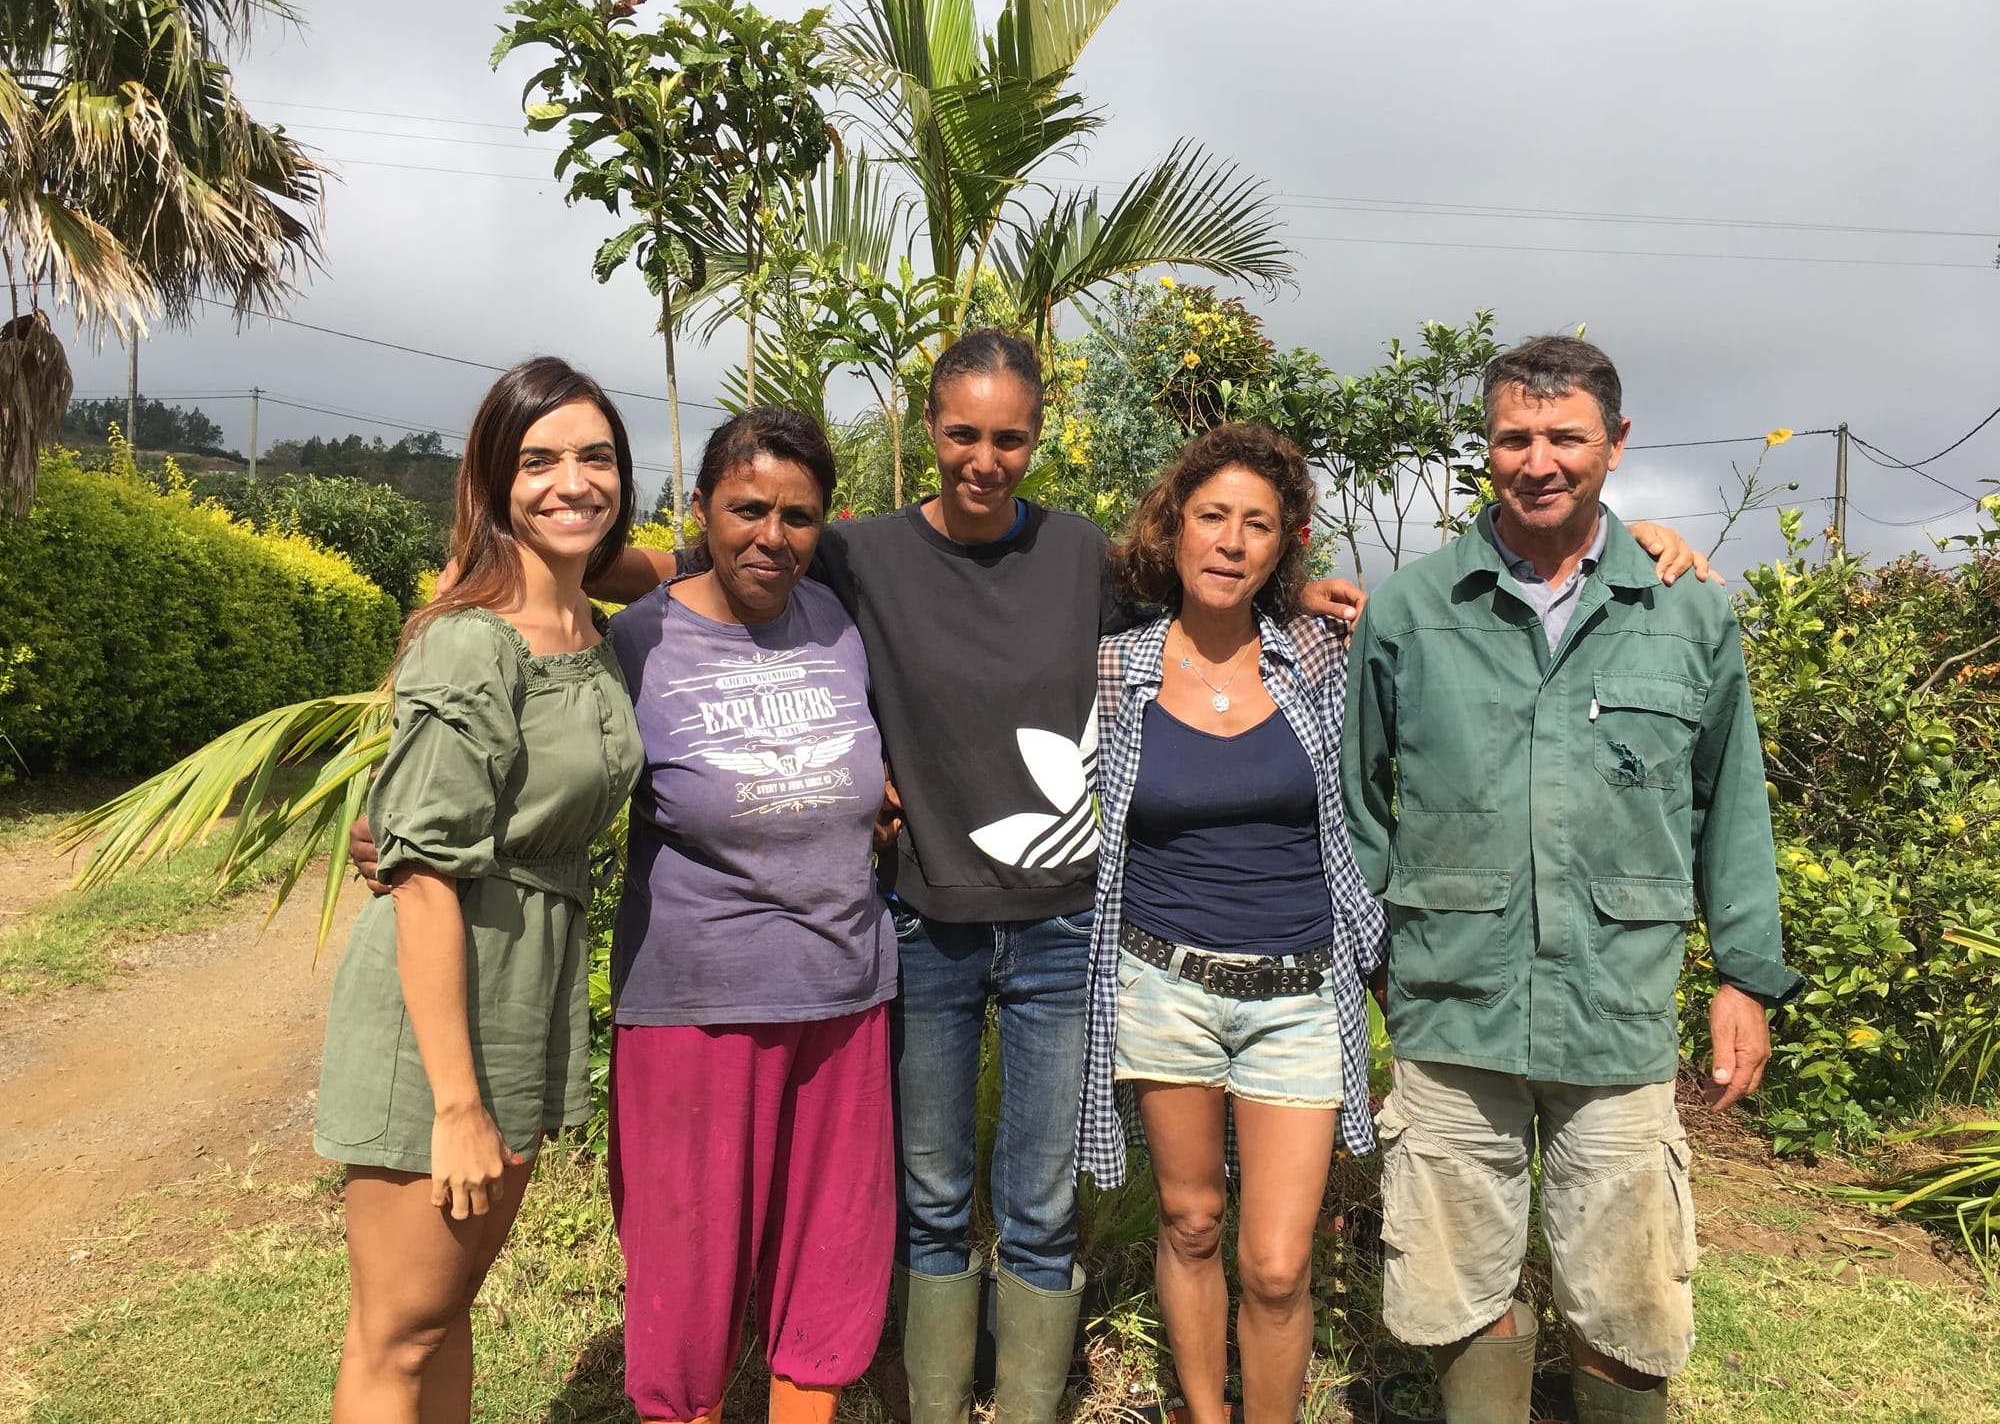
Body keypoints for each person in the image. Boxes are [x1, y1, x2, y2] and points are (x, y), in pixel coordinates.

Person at [578, 328, 1707, 1424]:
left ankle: (1019, 1403)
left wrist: (1630, 540)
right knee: (929, 1198)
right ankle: (929, 1399)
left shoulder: (1077, 557)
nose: (982, 459)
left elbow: (1209, 603)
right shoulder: (857, 548)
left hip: (1065, 928)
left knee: (1038, 1200)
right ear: (925, 430)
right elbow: (715, 557)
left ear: (1036, 437)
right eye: (961, 434)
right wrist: (561, 562)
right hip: (922, 923)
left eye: (1008, 438)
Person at [1340, 335, 1802, 1424]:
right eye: (1512, 437)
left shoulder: (1683, 610)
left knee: (1630, 1302)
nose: (1536, 460)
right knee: (1459, 1289)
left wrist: (1742, 977)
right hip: (1452, 1010)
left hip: (1617, 1010)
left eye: (1563, 437)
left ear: (1614, 444)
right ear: (1483, 448)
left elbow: (1730, 805)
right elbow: (1355, 809)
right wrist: (1370, 966)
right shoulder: (1408, 610)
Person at [314, 357, 645, 1424]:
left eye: (595, 457)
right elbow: (417, 876)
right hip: (447, 1000)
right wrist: (456, 1104)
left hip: (526, 986)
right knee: (394, 1334)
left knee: (446, 1309)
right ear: (494, 479)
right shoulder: (471, 640)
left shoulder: (584, 620)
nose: (571, 482)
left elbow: (671, 558)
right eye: (539, 460)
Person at [1076, 425, 1384, 1424]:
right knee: (1191, 1220)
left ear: (1282, 546)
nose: (1229, 543)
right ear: (1171, 529)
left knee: (1279, 1260)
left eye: (1256, 526)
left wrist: (1635, 536)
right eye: (1211, 517)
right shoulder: (1114, 670)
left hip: (1297, 994)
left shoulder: (1317, 654)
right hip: (1161, 985)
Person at [605, 407, 897, 1424]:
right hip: (695, 1010)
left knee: (824, 1280)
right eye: (746, 509)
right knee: (686, 1289)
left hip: (844, 998)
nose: (771, 536)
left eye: (798, 515)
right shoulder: (638, 642)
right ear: (699, 512)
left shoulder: (841, 625)